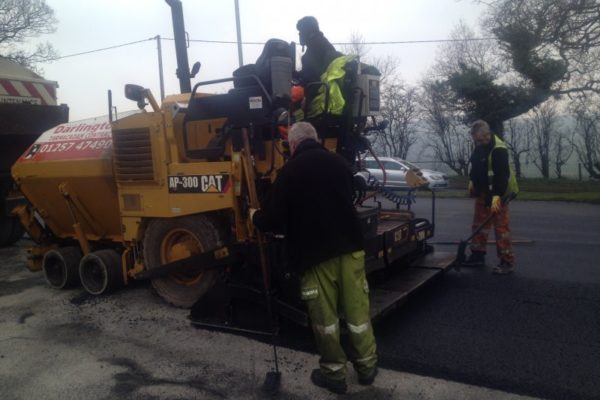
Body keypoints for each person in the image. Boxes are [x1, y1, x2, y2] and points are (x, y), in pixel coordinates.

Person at [251, 121, 377, 394]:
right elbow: (350, 194)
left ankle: (334, 376)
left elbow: (273, 219)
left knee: (326, 320)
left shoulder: (290, 171)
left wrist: (254, 217)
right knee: (357, 313)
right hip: (351, 249)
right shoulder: (339, 163)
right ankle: (367, 369)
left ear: (293, 144)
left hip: (316, 255)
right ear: (316, 139)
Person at [463, 120, 519, 274]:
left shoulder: (499, 149)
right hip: (484, 192)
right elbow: (475, 166)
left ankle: (507, 262)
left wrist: (496, 198)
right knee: (479, 224)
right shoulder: (480, 146)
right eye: (477, 141)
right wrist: (472, 182)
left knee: (501, 228)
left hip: (499, 193)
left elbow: (502, 177)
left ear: (488, 134)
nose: (480, 143)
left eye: (482, 140)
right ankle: (477, 256)